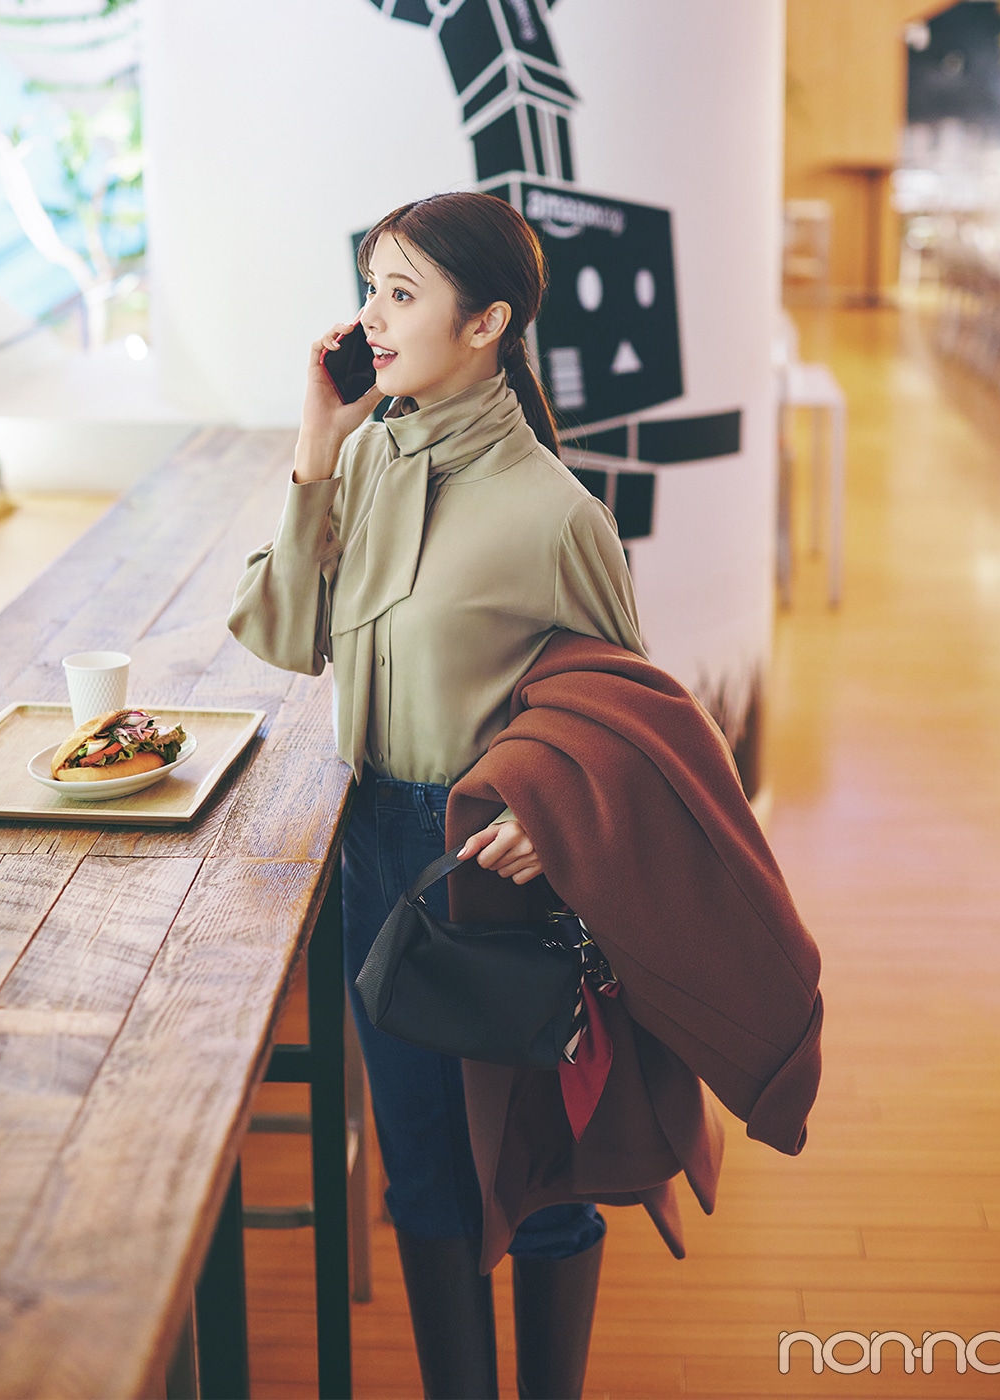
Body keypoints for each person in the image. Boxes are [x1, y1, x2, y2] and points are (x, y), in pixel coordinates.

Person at [228, 190, 645, 1400]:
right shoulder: (363, 457)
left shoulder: (560, 514)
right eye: (370, 288)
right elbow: (283, 635)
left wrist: (553, 814)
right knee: (421, 1167)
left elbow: (630, 720)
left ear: (487, 324)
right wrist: (317, 441)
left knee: (537, 1171)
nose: (371, 316)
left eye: (401, 294)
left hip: (503, 868)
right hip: (381, 847)